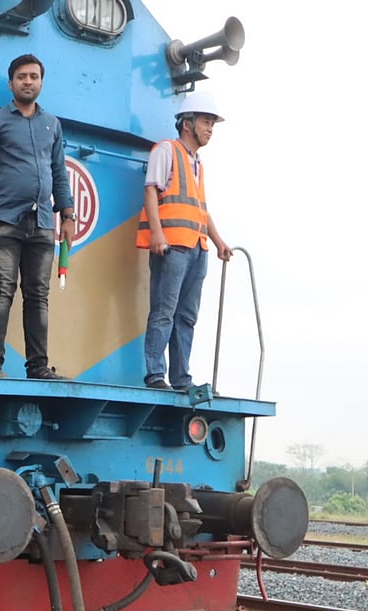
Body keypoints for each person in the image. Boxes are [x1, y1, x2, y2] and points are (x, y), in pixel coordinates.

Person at [0, 55, 76, 381]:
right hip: (4, 220)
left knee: (38, 296)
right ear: (11, 83)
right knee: (2, 289)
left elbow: (58, 171)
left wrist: (68, 214)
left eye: (33, 76)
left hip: (43, 221)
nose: (28, 81)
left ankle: (38, 368)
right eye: (21, 77)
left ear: (41, 82)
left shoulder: (52, 125)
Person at [136, 92, 233, 391]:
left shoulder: (198, 164)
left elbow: (201, 208)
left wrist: (218, 241)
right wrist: (157, 233)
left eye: (212, 124)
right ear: (187, 123)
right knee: (164, 311)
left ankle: (181, 379)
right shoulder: (167, 150)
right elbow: (151, 190)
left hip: (197, 247)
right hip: (172, 246)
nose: (210, 129)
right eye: (206, 122)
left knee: (186, 316)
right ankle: (156, 374)